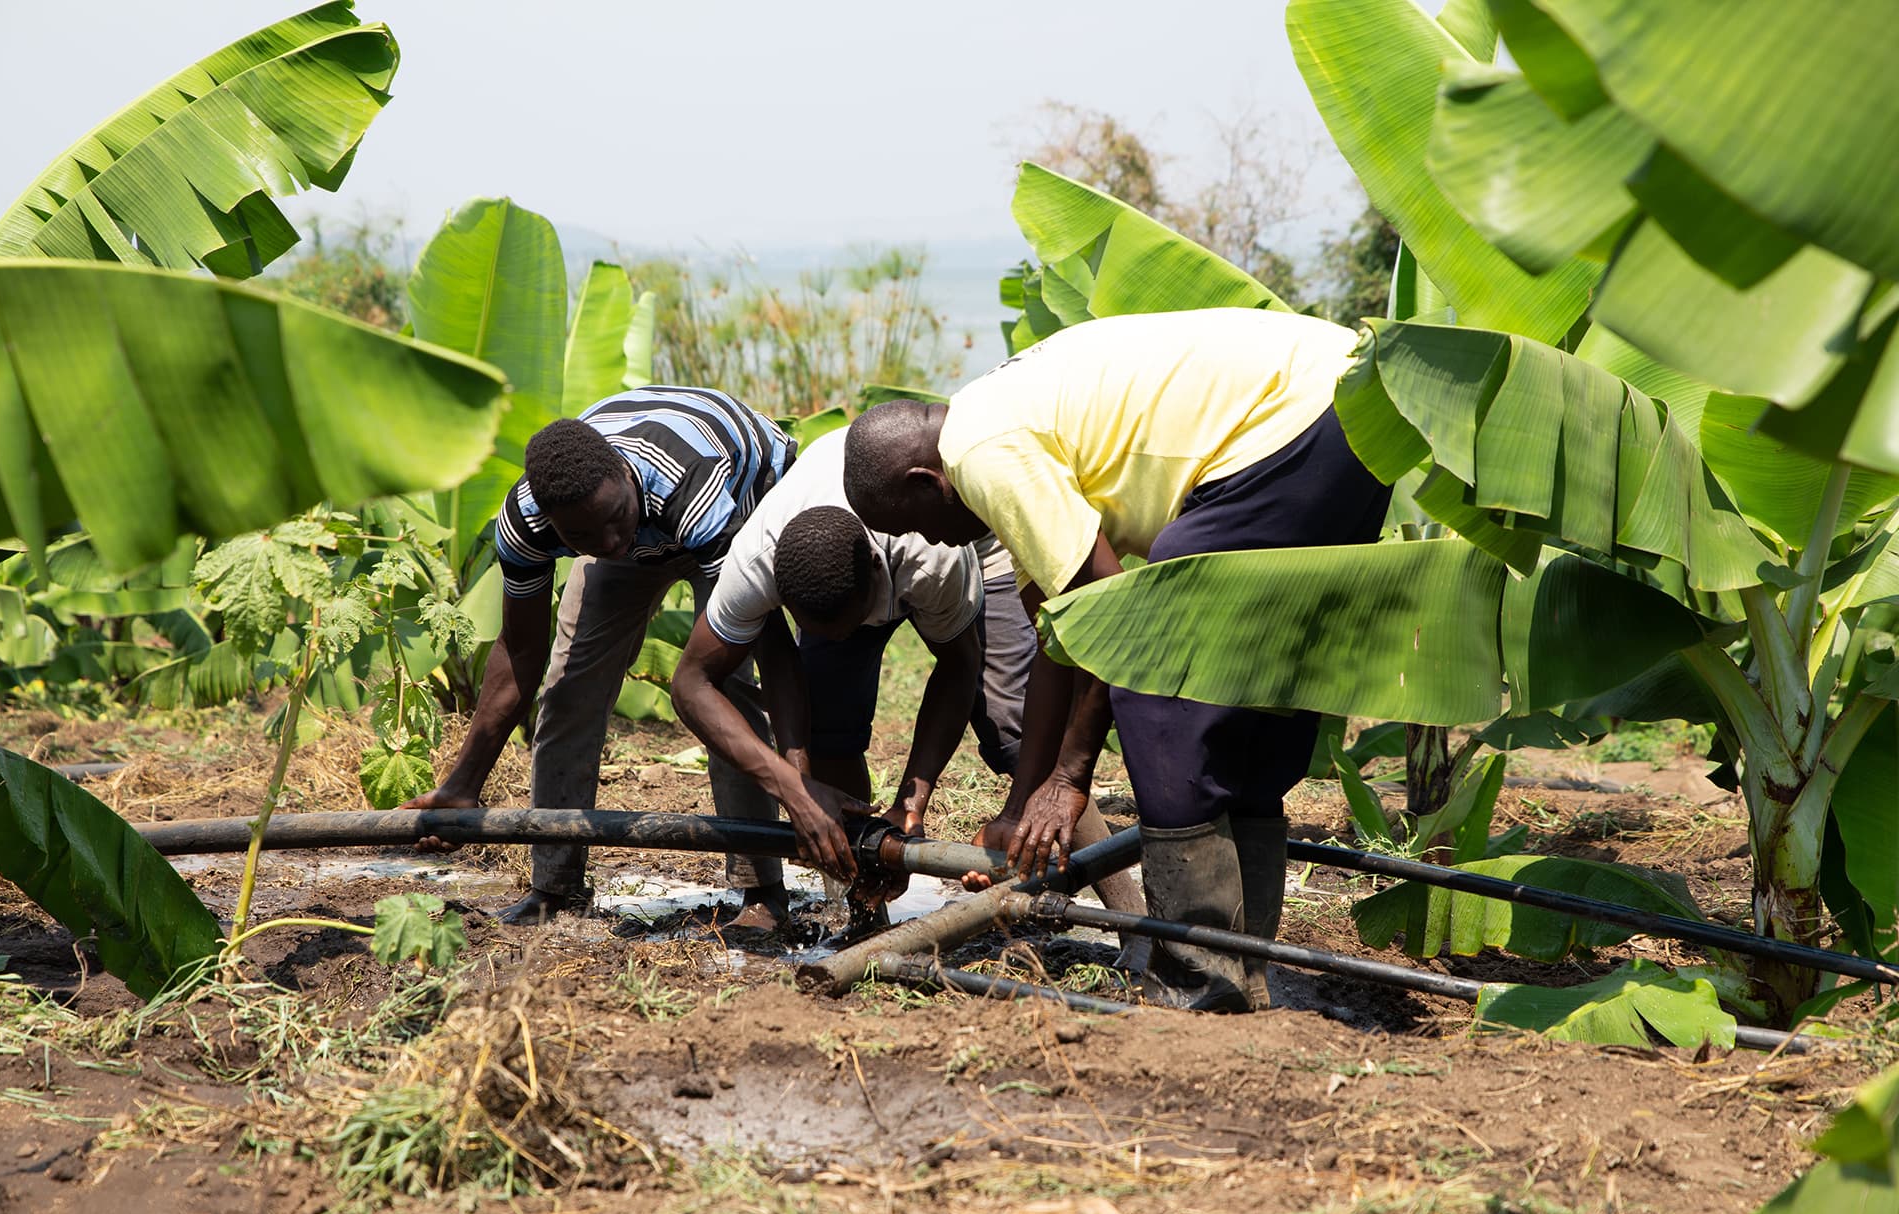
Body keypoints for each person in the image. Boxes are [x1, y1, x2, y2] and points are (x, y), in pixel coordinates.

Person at [842, 307, 1389, 1011]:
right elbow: (1060, 638)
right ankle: (1245, 979)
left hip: (1296, 418)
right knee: (1247, 689)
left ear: (926, 481)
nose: (940, 544)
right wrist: (1020, 804)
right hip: (1349, 402)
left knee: (1159, 693)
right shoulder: (994, 416)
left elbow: (1117, 620)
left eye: (919, 525)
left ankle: (1197, 985)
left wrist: (1070, 778)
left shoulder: (984, 455)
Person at [671, 426, 1143, 915]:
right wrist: (796, 787)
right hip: (835, 550)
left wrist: (912, 801)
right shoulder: (758, 561)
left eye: (849, 625)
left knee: (1018, 730)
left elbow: (961, 668)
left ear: (877, 575)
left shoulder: (932, 559)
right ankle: (862, 909)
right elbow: (690, 684)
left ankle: (1129, 917)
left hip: (972, 541)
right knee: (828, 730)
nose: (840, 639)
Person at [402, 387, 797, 932]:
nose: (609, 543)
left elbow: (758, 644)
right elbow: (521, 652)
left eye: (613, 519)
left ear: (626, 477)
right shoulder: (527, 522)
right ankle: (556, 887)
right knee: (568, 691)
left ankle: (761, 890)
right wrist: (463, 783)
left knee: (725, 688)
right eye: (582, 536)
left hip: (744, 502)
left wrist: (797, 777)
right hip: (652, 521)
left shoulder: (691, 487)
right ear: (553, 521)